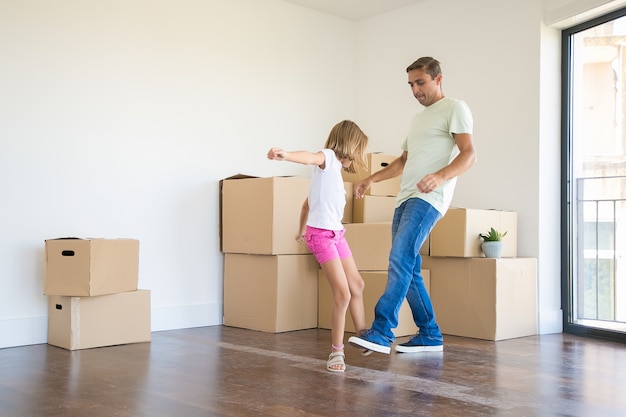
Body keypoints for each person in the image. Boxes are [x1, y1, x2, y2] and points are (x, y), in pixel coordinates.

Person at [348, 57, 477, 354]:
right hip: (405, 197)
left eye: (421, 82)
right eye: (411, 85)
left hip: (429, 198)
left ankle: (381, 331)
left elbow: (469, 154)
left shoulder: (455, 108)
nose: (415, 90)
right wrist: (371, 179)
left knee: (399, 258)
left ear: (438, 79)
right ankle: (430, 333)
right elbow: (403, 161)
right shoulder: (418, 119)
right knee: (410, 266)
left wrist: (440, 176)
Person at [267, 120, 369, 372]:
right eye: (360, 150)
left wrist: (301, 230)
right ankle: (336, 353)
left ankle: (365, 335)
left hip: (336, 233)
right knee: (342, 293)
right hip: (322, 236)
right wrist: (286, 155)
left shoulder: (334, 174)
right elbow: (310, 158)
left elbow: (306, 204)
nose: (360, 156)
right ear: (351, 146)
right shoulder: (328, 159)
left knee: (357, 284)